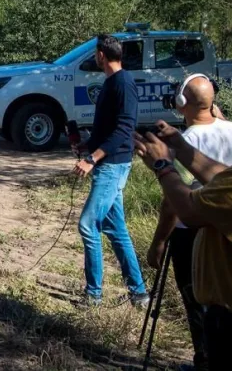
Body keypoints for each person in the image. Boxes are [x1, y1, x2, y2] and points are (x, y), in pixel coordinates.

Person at [146, 74, 232, 370]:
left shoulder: (184, 143)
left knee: (197, 303)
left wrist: (159, 242)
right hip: (230, 230)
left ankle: (203, 359)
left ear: (181, 104)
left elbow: (174, 203)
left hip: (191, 234)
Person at [72, 34, 149, 307]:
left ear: (101, 55)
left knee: (88, 224)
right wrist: (88, 143)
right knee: (116, 229)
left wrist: (92, 158)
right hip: (107, 163)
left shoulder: (124, 84)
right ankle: (139, 293)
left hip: (113, 165)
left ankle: (93, 295)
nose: (95, 57)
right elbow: (107, 127)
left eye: (95, 53)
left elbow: (124, 130)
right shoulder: (110, 83)